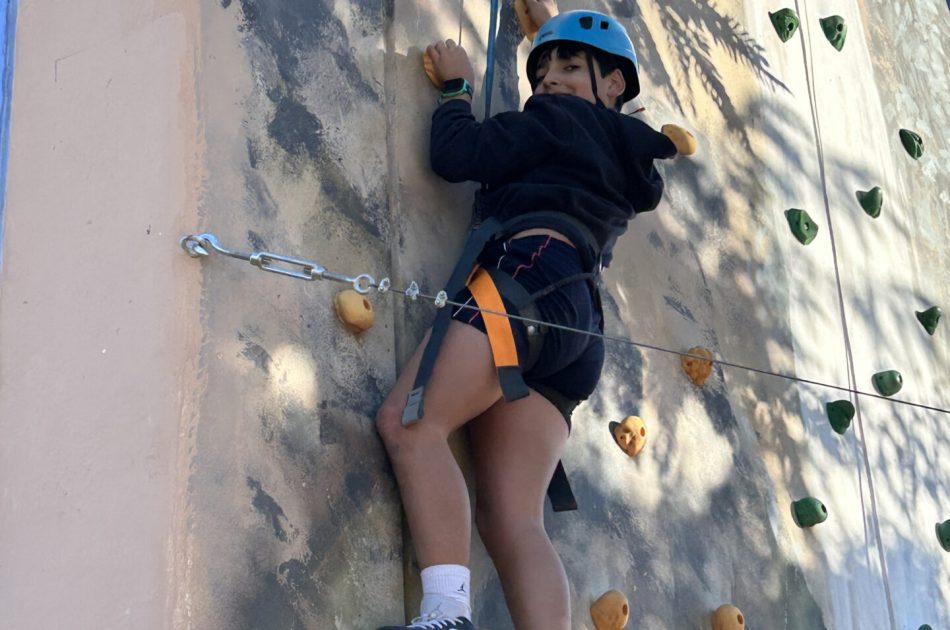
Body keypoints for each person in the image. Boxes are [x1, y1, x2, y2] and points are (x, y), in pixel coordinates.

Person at [376, 2, 680, 628]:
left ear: (613, 82)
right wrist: (551, 29)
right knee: (513, 519)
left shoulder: (561, 119)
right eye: (540, 75)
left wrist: (457, 89)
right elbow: (580, 113)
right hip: (577, 326)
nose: (547, 84)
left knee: (411, 424)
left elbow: (459, 154)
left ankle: (446, 614)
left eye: (567, 68)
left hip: (529, 275)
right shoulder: (626, 159)